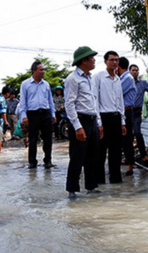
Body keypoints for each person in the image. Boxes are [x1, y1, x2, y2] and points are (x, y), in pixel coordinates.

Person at [65, 46, 103, 199]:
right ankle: (72, 190)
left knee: (92, 156)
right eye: (91, 58)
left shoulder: (90, 78)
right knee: (77, 157)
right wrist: (77, 127)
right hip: (80, 121)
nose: (94, 60)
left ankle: (91, 187)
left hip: (92, 120)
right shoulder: (73, 79)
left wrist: (99, 123)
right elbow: (69, 104)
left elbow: (94, 102)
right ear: (84, 60)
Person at [93, 51, 127, 184]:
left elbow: (120, 102)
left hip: (116, 118)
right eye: (112, 60)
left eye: (116, 60)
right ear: (105, 61)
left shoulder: (118, 79)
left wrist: (123, 121)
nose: (114, 62)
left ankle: (115, 178)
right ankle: (99, 179)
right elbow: (95, 100)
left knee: (116, 150)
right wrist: (99, 123)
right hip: (103, 117)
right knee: (100, 151)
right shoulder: (98, 77)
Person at [19, 61, 56, 169]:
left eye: (43, 69)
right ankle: (32, 162)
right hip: (32, 114)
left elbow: (50, 100)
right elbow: (22, 102)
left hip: (45, 113)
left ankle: (48, 161)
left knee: (48, 139)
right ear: (34, 71)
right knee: (33, 139)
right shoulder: (25, 84)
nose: (43, 72)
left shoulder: (46, 84)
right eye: (41, 70)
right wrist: (24, 116)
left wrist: (53, 114)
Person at [129, 64, 148, 162]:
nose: (135, 72)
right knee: (128, 135)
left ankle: (143, 155)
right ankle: (129, 157)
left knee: (137, 133)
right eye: (133, 70)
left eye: (137, 70)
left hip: (136, 112)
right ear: (129, 72)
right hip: (126, 112)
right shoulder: (125, 82)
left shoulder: (142, 83)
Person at [117, 57, 136, 176]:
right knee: (121, 140)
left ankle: (130, 166)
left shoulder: (127, 78)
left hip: (127, 112)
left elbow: (117, 92)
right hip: (121, 111)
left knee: (127, 139)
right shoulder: (122, 78)